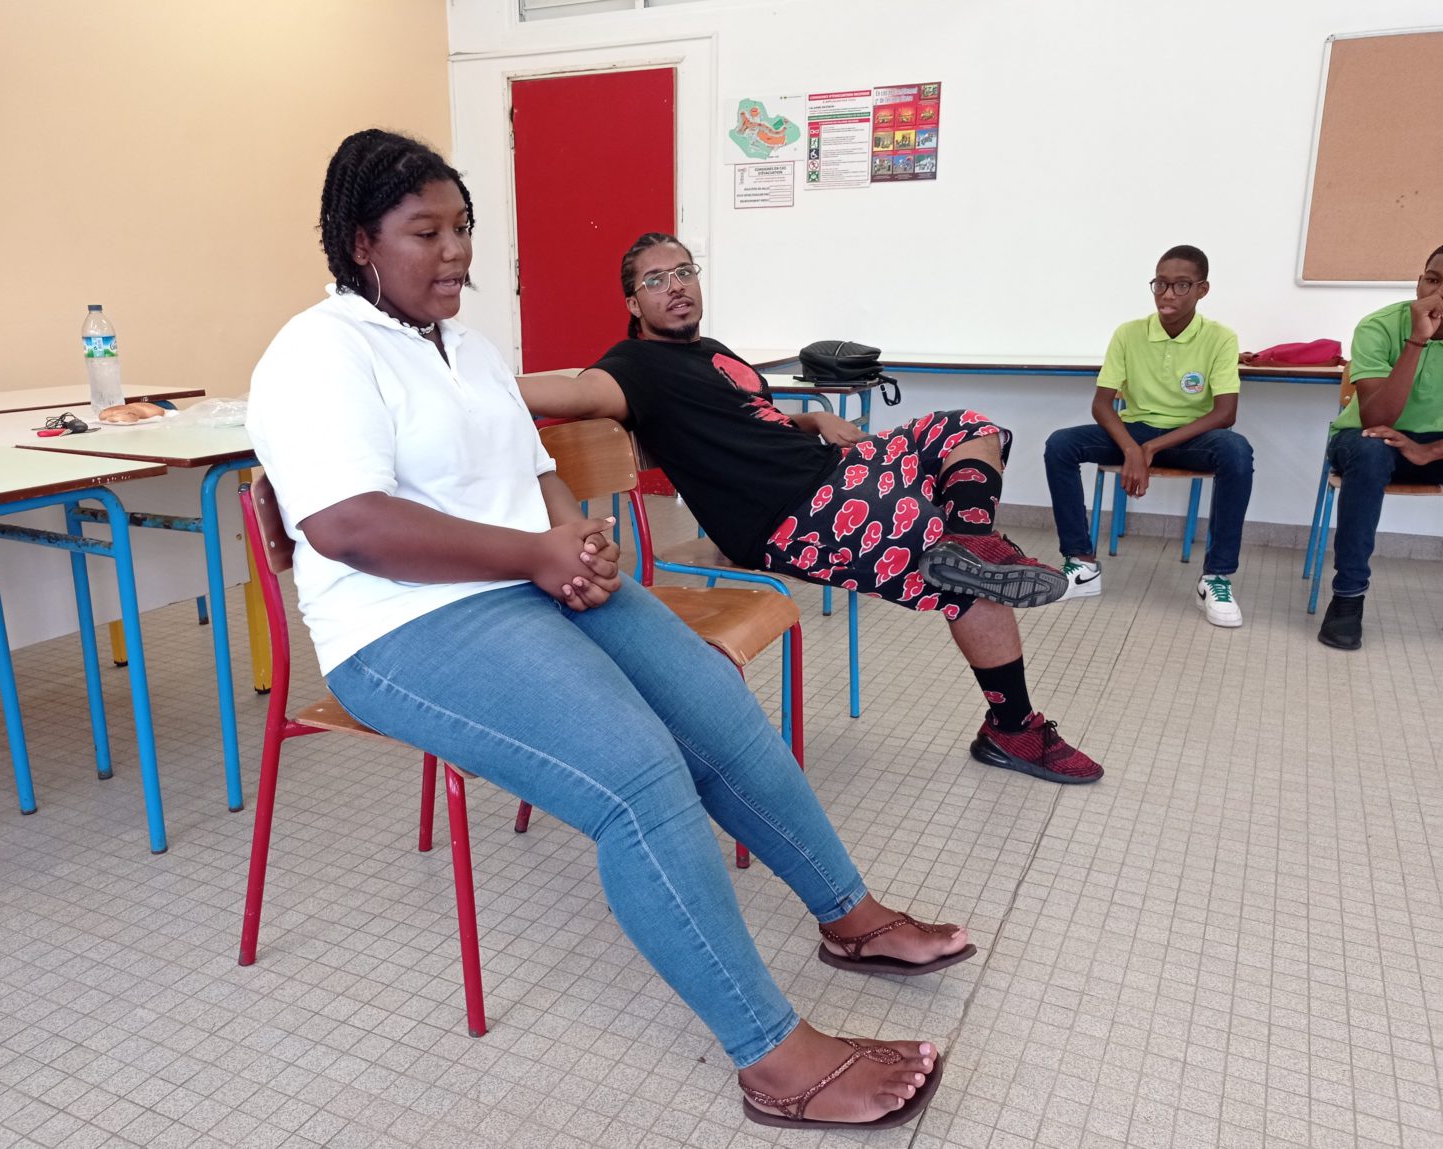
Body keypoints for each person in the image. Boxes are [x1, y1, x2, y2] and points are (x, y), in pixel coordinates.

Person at [247, 129, 978, 1132]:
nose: (456, 251)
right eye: (426, 232)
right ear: (360, 241)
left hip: (528, 581)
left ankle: (850, 917)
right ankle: (774, 1057)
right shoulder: (318, 351)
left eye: (463, 226)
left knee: (716, 705)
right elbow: (346, 526)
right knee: (639, 777)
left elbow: (534, 471)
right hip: (403, 626)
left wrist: (576, 542)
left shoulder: (468, 346)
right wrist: (534, 556)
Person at [518, 233, 1103, 786]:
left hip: (830, 469)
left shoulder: (712, 353)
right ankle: (1011, 728)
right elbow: (574, 393)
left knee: (970, 429)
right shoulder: (632, 366)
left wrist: (812, 419)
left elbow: (754, 422)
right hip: (785, 514)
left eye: (683, 271)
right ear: (633, 303)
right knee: (956, 569)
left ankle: (970, 540)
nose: (675, 286)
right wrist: (473, 377)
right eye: (655, 280)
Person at [1042, 245, 1253, 627]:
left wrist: (1149, 449)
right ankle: (1081, 564)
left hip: (1188, 437)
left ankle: (1216, 578)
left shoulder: (1221, 337)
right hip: (1136, 429)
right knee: (1060, 444)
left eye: (1181, 285)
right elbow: (1102, 404)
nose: (1167, 294)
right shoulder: (1129, 333)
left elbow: (1225, 414)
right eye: (1160, 284)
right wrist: (1131, 448)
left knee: (1236, 451)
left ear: (1202, 289)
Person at [1317, 244, 1443, 651]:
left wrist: (1429, 451)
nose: (1438, 294)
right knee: (1370, 451)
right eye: (1433, 280)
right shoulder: (1379, 326)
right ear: (1419, 281)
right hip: (1367, 438)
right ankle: (1348, 598)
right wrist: (1417, 341)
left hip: (1436, 446)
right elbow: (1375, 418)